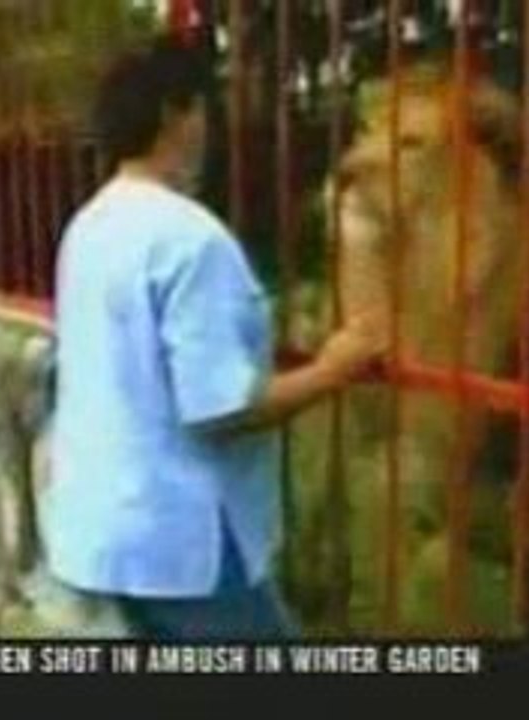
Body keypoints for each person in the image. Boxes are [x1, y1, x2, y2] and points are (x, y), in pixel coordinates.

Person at [39, 36, 385, 640]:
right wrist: (334, 369)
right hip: (182, 545)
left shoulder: (89, 226)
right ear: (176, 115)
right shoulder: (190, 240)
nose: (209, 130)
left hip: (100, 526)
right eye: (204, 110)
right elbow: (219, 410)